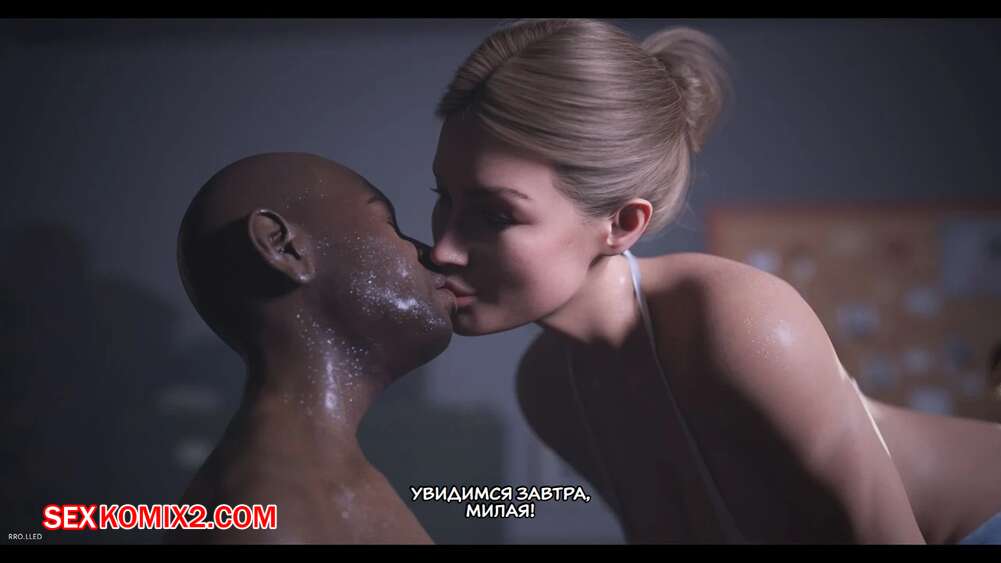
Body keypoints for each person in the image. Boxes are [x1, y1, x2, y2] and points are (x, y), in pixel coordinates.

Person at [426, 18, 1001, 543]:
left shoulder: (736, 320)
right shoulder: (547, 390)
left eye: (495, 215)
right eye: (443, 198)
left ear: (622, 224)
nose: (444, 248)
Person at [168, 152, 454, 544]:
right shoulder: (267, 521)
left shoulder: (327, 487)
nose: (432, 253)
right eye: (391, 225)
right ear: (283, 247)